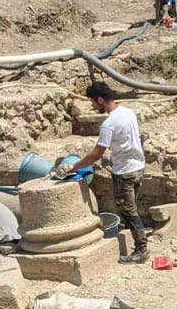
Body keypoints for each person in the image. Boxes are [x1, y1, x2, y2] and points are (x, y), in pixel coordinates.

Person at [63, 81, 149, 263]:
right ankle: (137, 237)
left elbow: (96, 153)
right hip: (138, 166)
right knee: (131, 209)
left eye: (93, 103)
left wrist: (74, 167)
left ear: (101, 100)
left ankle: (141, 250)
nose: (93, 107)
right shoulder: (128, 112)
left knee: (128, 211)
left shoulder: (108, 124)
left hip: (124, 171)